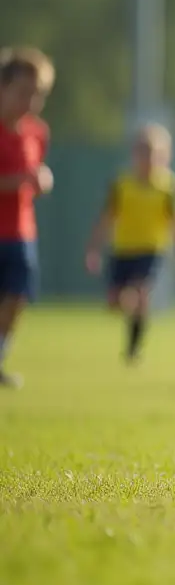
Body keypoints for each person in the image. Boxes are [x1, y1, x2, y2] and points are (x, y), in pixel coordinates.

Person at [85, 123, 175, 363]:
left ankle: (133, 349)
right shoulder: (122, 184)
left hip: (151, 250)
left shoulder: (169, 188)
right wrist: (94, 249)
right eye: (143, 152)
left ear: (165, 156)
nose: (148, 159)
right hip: (122, 249)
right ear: (134, 154)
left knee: (139, 292)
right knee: (116, 302)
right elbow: (106, 218)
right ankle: (134, 320)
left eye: (154, 153)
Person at [0, 47, 54, 388]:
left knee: (17, 297)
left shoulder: (38, 133)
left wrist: (40, 181)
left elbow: (33, 175)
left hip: (21, 232)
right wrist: (15, 181)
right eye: (23, 93)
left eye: (38, 96)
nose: (30, 103)